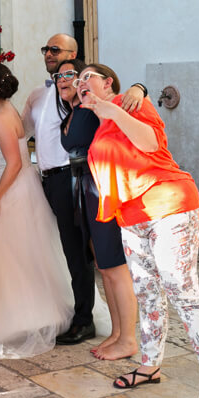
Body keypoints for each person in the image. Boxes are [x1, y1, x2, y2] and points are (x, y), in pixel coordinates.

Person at [78, 63, 199, 398]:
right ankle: (150, 365)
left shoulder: (131, 103)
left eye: (89, 77)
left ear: (108, 83)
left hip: (169, 206)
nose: (82, 82)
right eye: (78, 78)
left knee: (183, 293)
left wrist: (118, 105)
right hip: (132, 219)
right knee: (147, 294)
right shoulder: (99, 125)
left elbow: (149, 142)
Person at [23, 33, 145, 345]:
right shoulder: (45, 97)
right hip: (49, 180)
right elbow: (25, 130)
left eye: (57, 51)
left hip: (78, 180)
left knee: (87, 255)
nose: (49, 55)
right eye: (46, 50)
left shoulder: (91, 104)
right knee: (71, 251)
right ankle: (106, 326)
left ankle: (88, 321)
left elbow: (120, 99)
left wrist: (139, 87)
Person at [0, 64, 74, 356]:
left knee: (6, 252)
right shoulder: (4, 111)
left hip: (11, 187)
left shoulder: (3, 117)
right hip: (17, 182)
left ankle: (16, 318)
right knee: (19, 252)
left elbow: (14, 162)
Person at [56, 59, 138, 361]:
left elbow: (127, 103)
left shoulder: (99, 108)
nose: (71, 81)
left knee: (115, 265)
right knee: (104, 266)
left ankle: (128, 338)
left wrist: (139, 88)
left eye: (77, 76)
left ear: (105, 82)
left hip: (102, 187)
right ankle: (117, 333)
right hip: (85, 189)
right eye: (62, 77)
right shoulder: (77, 111)